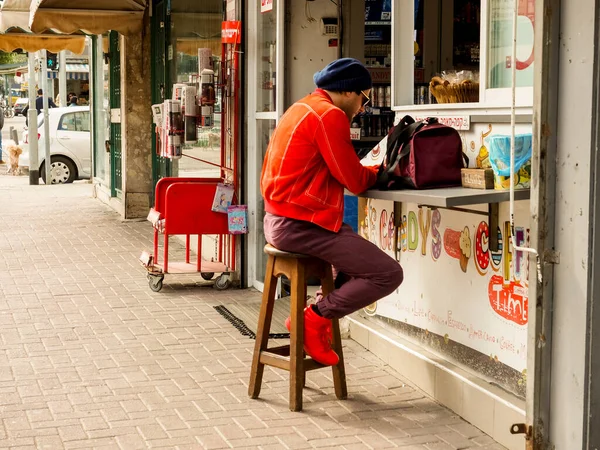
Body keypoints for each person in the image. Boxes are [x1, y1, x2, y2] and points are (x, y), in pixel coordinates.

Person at [260, 58, 404, 366]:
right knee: (388, 273)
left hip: (280, 219)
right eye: (365, 98)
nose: (364, 108)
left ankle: (315, 313)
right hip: (300, 224)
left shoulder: (301, 107)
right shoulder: (330, 116)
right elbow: (352, 178)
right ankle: (314, 317)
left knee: (351, 257)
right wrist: (379, 172)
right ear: (350, 93)